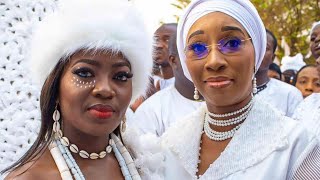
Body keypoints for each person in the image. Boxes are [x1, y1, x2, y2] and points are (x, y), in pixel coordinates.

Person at [133, 1, 320, 179]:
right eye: (197, 47)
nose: (214, 61)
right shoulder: (172, 143)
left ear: (257, 53)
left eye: (232, 44)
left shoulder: (295, 145)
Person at [1, 0, 152, 179]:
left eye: (120, 76)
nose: (105, 89)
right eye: (85, 73)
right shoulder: (30, 177)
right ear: (55, 87)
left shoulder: (146, 163)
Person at [131, 32, 204, 136]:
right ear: (174, 61)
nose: (211, 60)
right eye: (197, 49)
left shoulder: (229, 102)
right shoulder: (150, 111)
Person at [255, 29, 303, 117]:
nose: (258, 51)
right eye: (253, 45)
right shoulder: (225, 89)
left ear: (272, 58)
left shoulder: (290, 94)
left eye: (265, 48)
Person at [153, 23, 177, 91]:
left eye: (167, 40)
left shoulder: (191, 87)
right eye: (156, 40)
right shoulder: (150, 85)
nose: (158, 45)